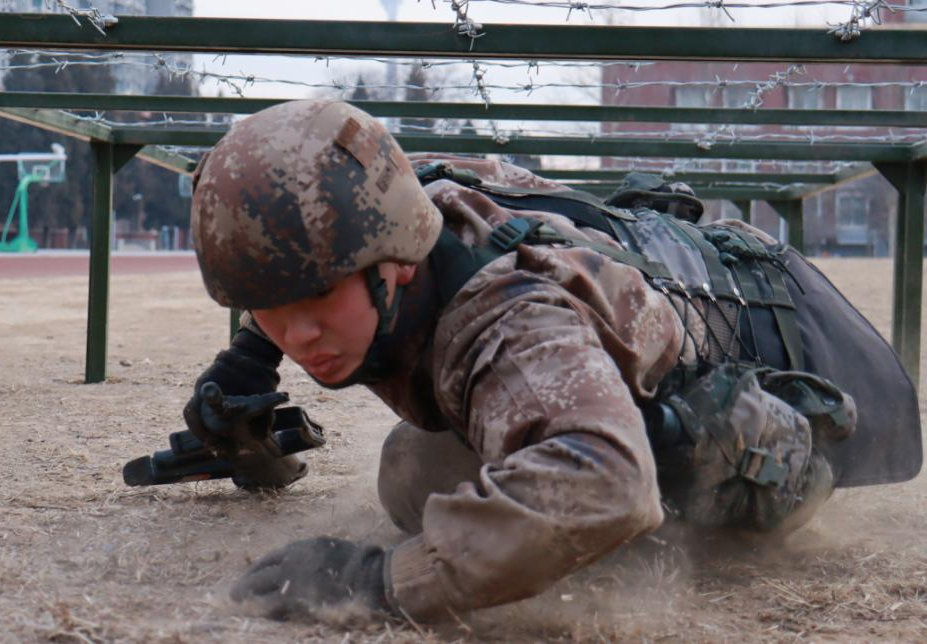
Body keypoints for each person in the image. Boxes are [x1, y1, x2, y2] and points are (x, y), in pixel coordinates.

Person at [182, 100, 920, 622]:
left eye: (314, 297)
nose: (298, 333)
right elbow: (303, 272)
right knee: (421, 467)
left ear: (396, 263)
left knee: (417, 475)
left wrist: (379, 583)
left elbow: (606, 483)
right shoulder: (404, 215)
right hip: (611, 377)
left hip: (713, 439)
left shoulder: (513, 323)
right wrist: (250, 357)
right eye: (266, 307)